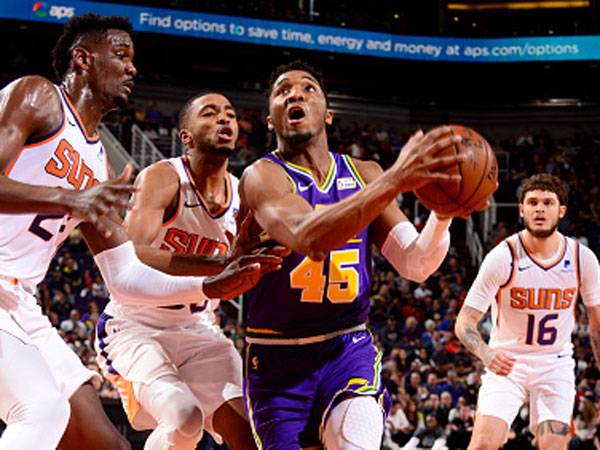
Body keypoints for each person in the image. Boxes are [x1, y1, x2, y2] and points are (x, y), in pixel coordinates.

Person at [0, 14, 281, 450]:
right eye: (121, 56)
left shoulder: (99, 166)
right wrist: (69, 199)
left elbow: (126, 276)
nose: (132, 68)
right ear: (82, 59)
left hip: (21, 302)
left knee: (107, 444)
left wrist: (212, 279)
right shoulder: (38, 96)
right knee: (40, 410)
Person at [239, 60, 483, 449]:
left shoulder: (365, 173)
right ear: (270, 119)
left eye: (308, 88)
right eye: (282, 91)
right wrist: (394, 180)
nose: (295, 94)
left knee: (357, 440)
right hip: (275, 358)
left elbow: (415, 264)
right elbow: (309, 237)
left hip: (346, 347)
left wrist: (442, 215)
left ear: (329, 114)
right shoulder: (262, 176)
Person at [96, 92, 264, 449]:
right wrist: (218, 267)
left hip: (198, 330)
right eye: (211, 113)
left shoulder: (244, 193)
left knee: (249, 435)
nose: (224, 120)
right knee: (184, 419)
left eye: (230, 114)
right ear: (186, 136)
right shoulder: (163, 177)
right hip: (135, 327)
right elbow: (132, 254)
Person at [455, 173, 600, 450]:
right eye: (532, 202)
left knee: (554, 446)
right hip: (507, 361)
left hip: (554, 363)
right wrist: (485, 353)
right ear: (522, 210)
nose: (540, 209)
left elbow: (597, 325)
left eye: (548, 202)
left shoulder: (583, 258)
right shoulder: (502, 256)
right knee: (483, 444)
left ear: (562, 210)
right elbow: (464, 321)